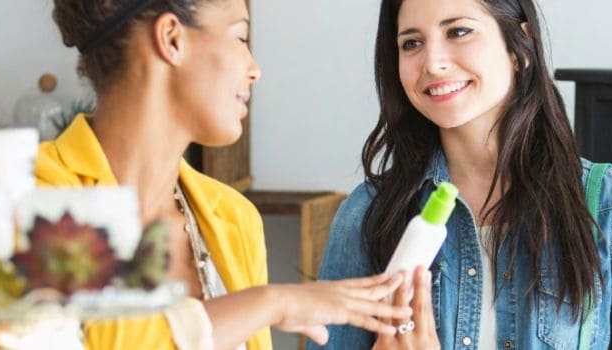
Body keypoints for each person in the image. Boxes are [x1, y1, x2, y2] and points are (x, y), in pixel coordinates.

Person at [37, 0, 415, 349]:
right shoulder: (33, 196)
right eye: (240, 37)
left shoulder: (234, 218)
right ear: (172, 39)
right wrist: (272, 302)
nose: (254, 69)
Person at [311, 0, 612, 349]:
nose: (433, 62)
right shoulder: (368, 214)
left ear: (519, 46)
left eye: (458, 32)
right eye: (411, 43)